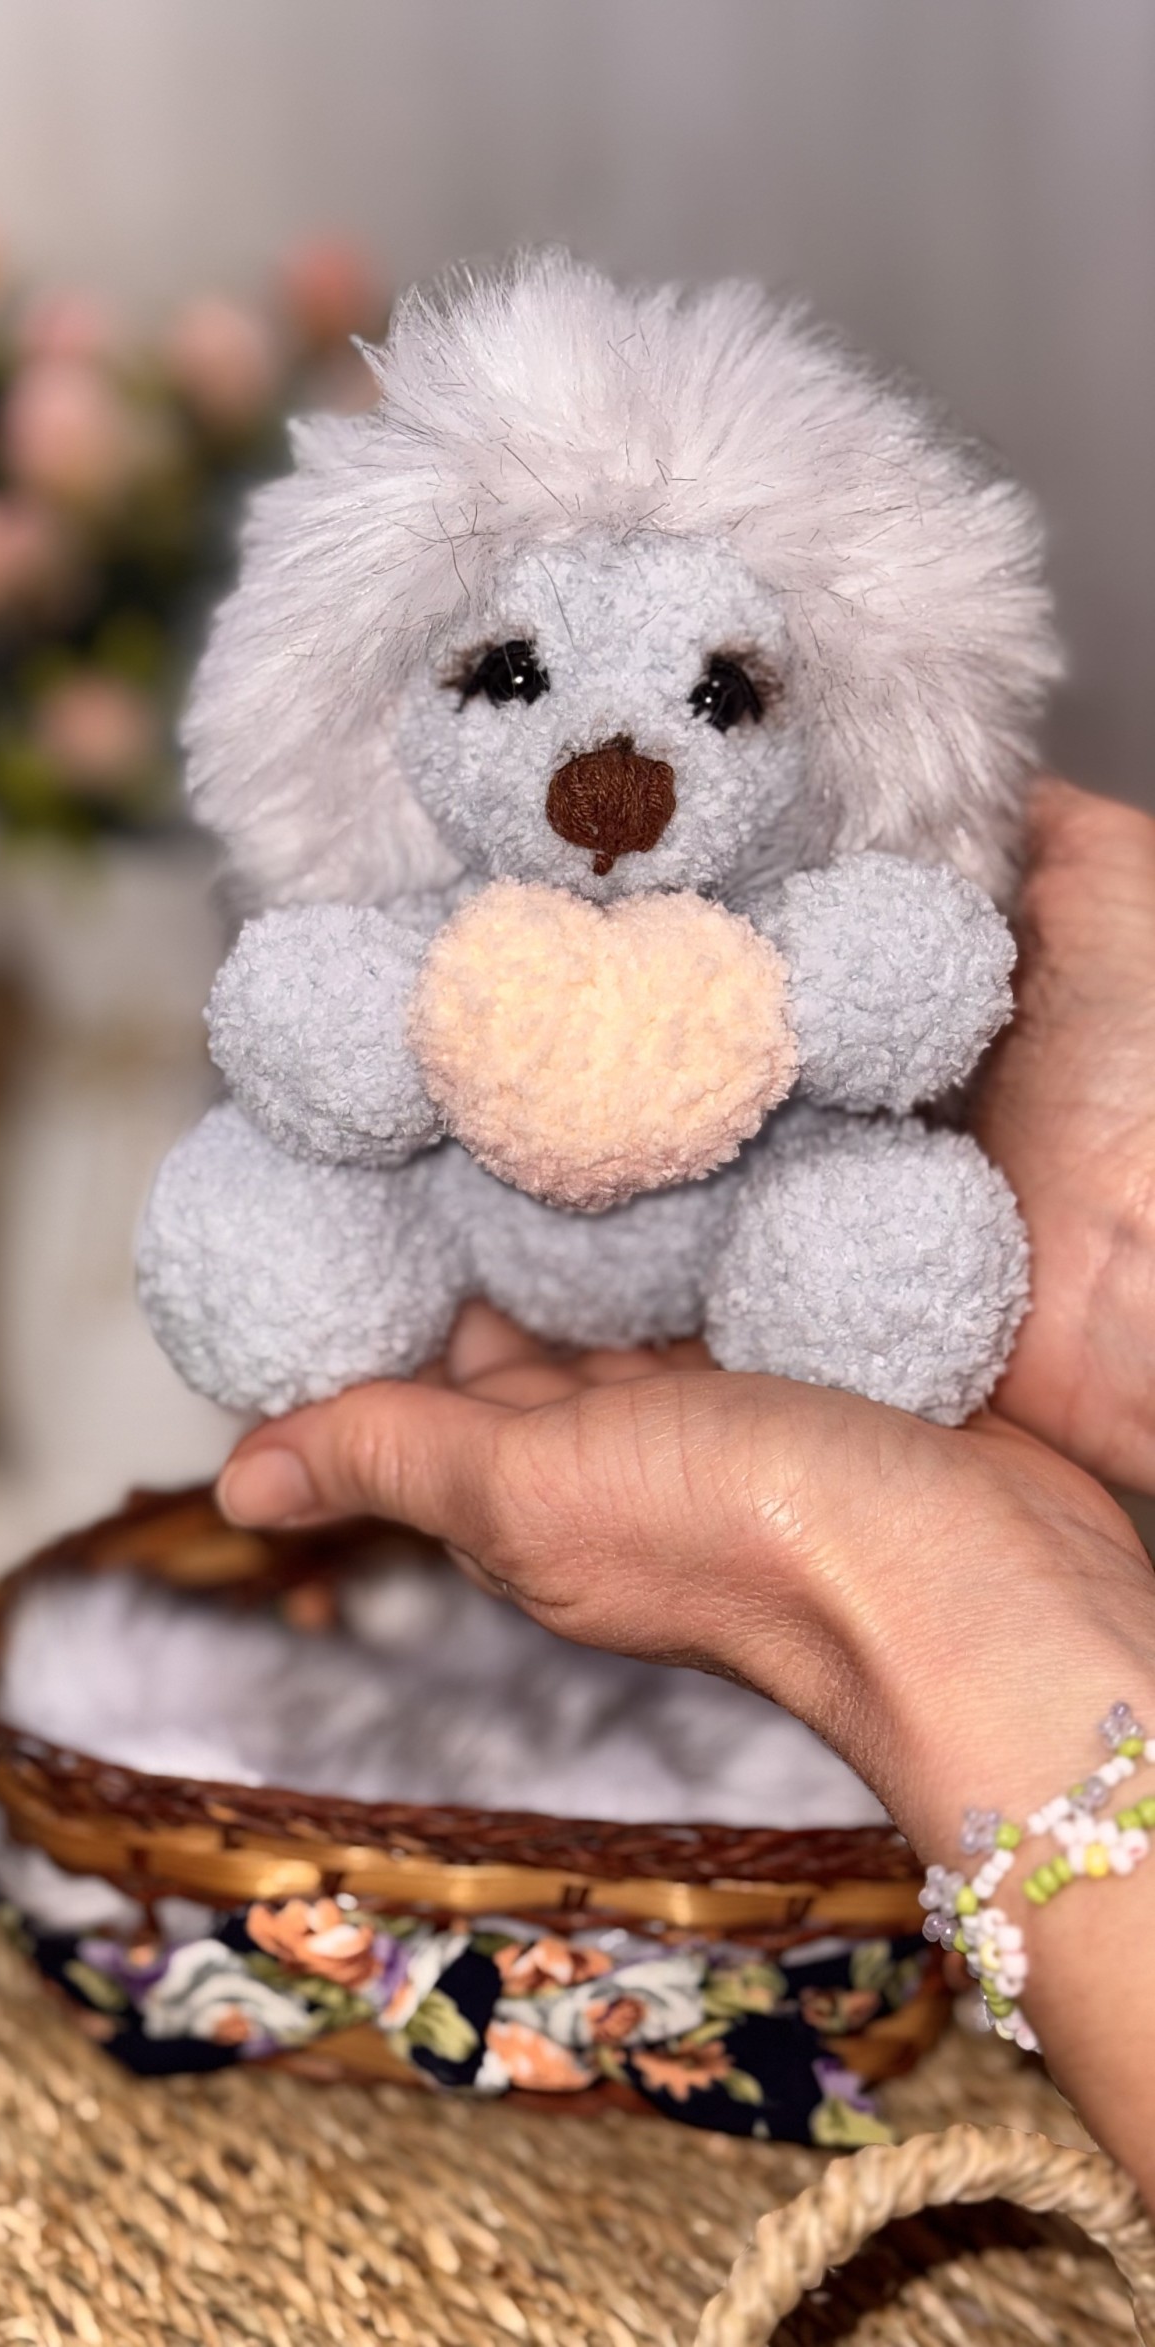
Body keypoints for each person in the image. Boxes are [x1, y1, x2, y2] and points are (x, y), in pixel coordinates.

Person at [216, 780, 1155, 2200]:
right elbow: (306, 1005)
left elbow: (897, 978)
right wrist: (1123, 1260)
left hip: (786, 1227)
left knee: (881, 1218)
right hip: (492, 1226)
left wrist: (934, 1589)